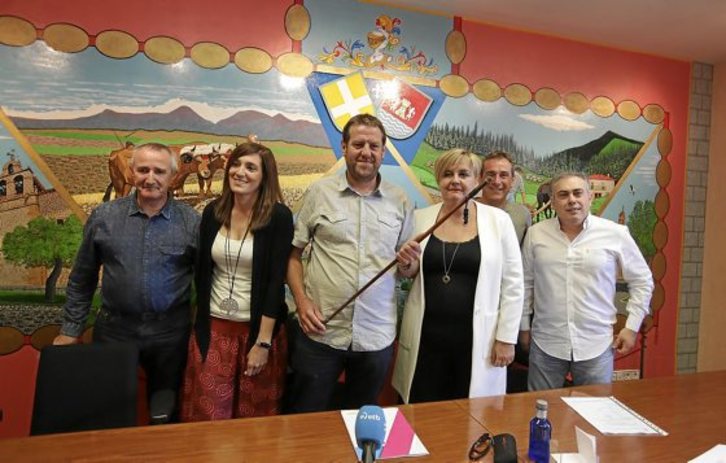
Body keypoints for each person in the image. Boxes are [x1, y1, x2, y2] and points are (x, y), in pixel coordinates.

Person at [54, 143, 200, 417]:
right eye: (143, 170)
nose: (150, 178)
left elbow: (206, 281)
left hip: (170, 335)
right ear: (132, 173)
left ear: (172, 176)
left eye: (159, 171)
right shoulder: (104, 217)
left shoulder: (192, 222)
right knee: (108, 411)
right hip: (115, 331)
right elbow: (82, 277)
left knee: (164, 412)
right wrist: (71, 329)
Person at [287, 113, 414, 412]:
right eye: (358, 144)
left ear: (383, 152)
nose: (366, 152)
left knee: (361, 418)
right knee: (306, 414)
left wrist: (409, 263)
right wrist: (302, 302)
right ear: (344, 147)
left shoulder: (400, 200)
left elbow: (408, 271)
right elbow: (293, 256)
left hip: (376, 335)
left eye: (374, 146)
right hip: (321, 332)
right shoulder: (320, 192)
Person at [392, 148, 524, 403]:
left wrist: (506, 339)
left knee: (471, 412)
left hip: (477, 340)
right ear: (438, 180)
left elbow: (514, 284)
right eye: (447, 174)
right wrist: (405, 263)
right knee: (419, 407)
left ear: (477, 180)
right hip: (426, 338)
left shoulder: (499, 221)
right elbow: (410, 273)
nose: (455, 180)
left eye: (463, 174)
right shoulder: (421, 218)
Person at [180, 142, 292, 421]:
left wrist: (263, 344)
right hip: (214, 331)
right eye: (236, 164)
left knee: (253, 421)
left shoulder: (278, 217)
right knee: (209, 417)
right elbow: (203, 273)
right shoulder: (213, 212)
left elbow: (275, 282)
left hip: (256, 334)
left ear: (265, 177)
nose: (240, 172)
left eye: (251, 167)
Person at [519, 172, 654, 390]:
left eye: (577, 193)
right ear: (553, 201)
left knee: (594, 409)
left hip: (596, 346)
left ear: (589, 197)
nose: (571, 200)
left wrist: (631, 327)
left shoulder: (616, 233)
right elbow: (525, 284)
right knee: (542, 407)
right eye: (563, 195)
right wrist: (524, 327)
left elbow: (642, 281)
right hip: (546, 345)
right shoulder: (536, 234)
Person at [478, 151, 532, 245]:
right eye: (491, 174)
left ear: (512, 181)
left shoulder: (522, 214)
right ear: (480, 178)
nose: (497, 181)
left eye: (503, 175)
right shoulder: (465, 211)